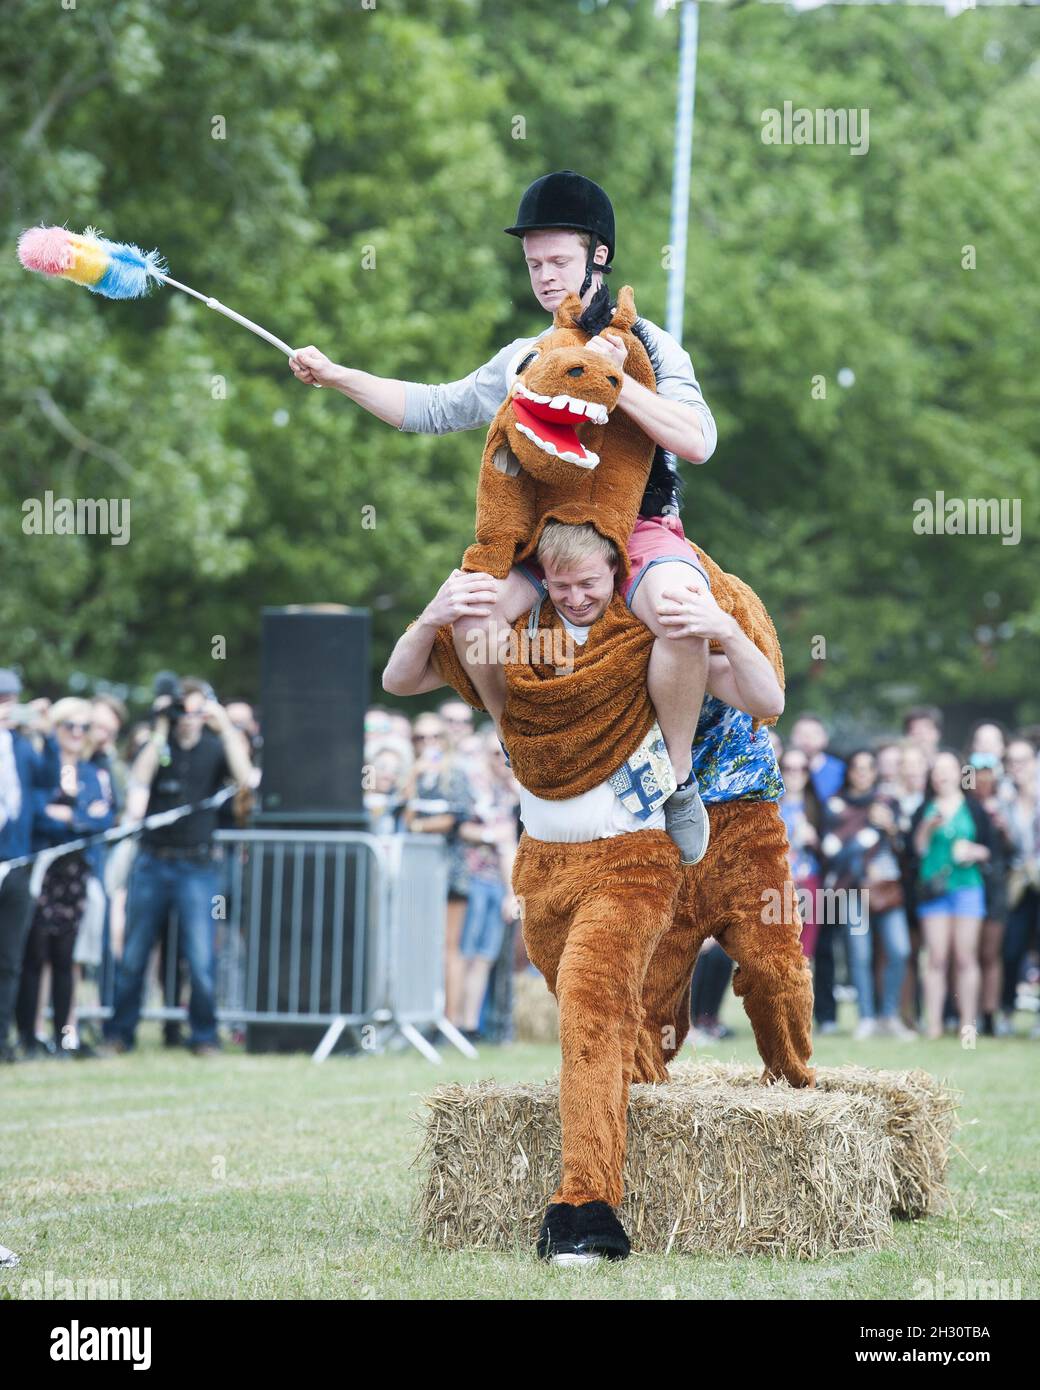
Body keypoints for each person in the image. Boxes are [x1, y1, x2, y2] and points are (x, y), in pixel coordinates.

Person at [293, 170, 719, 864]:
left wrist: (616, 380)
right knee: (471, 615)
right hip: (546, 541)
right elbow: (434, 407)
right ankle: (519, 742)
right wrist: (339, 374)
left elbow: (698, 442)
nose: (545, 277)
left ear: (598, 257)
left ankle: (677, 778)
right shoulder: (524, 356)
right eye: (534, 265)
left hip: (636, 528)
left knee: (681, 611)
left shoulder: (653, 344)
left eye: (557, 262)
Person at [384, 520, 697, 1262]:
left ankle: (585, 1209)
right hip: (542, 862)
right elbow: (398, 680)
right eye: (563, 587)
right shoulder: (516, 637)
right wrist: (434, 611)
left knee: (588, 1016)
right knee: (602, 1018)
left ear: (616, 572)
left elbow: (764, 689)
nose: (579, 598)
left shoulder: (649, 623)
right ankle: (645, 1070)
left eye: (591, 583)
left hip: (630, 856)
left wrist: (716, 625)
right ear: (543, 584)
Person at [102, 682, 252, 1055]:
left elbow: (246, 777)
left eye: (195, 710)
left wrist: (223, 723)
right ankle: (119, 1033)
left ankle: (203, 1035)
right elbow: (138, 783)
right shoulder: (158, 747)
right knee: (135, 955)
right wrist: (161, 729)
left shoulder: (216, 748)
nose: (188, 719)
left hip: (197, 866)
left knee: (201, 957)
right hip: (153, 862)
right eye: (182, 711)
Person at [15, 698, 114, 1058]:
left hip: (75, 874)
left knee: (67, 958)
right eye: (68, 725)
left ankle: (64, 1036)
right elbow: (37, 814)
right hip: (43, 870)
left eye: (83, 727)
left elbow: (101, 820)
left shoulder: (92, 773)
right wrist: (74, 817)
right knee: (35, 954)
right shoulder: (43, 764)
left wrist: (70, 817)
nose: (76, 733)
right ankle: (31, 1034)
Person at [820, 751, 913, 1040]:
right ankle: (867, 1018)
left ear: (875, 772)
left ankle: (889, 1015)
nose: (862, 773)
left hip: (887, 889)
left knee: (900, 950)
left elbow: (906, 849)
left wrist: (889, 826)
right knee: (859, 955)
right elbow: (830, 852)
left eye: (868, 768)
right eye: (856, 768)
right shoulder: (835, 806)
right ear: (849, 772)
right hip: (851, 891)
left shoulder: (887, 803)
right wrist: (860, 864)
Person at [909, 750, 992, 1041]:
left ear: (960, 773)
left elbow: (989, 848)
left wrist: (974, 852)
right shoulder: (925, 808)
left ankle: (967, 1025)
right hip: (934, 890)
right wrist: (927, 828)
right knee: (936, 957)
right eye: (938, 770)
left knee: (965, 957)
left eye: (948, 769)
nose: (942, 775)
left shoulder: (974, 807)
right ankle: (933, 1026)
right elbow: (916, 850)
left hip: (968, 886)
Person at [401, 713, 476, 1028]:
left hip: (449, 868)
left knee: (448, 945)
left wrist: (419, 825)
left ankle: (450, 1021)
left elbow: (455, 818)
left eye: (434, 737)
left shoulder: (455, 775)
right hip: (417, 871)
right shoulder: (413, 776)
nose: (428, 744)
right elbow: (401, 814)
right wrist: (412, 779)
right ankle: (421, 1018)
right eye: (420, 738)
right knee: (418, 942)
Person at [0, 674, 60, 1063]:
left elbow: (49, 780)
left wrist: (49, 735)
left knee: (9, 959)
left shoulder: (21, 746)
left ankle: (2, 1038)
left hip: (16, 864)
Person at [455, 728, 520, 1041]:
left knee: (484, 955)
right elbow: (461, 827)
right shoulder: (473, 785)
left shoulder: (508, 789)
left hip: (496, 881)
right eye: (496, 753)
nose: (502, 760)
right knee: (464, 953)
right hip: (470, 881)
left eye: (504, 753)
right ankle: (455, 1023)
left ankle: (470, 1026)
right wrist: (488, 836)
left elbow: (508, 843)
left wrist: (511, 892)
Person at [968, 754, 1012, 1037]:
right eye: (977, 775)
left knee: (990, 953)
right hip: (969, 882)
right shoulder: (965, 808)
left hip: (996, 883)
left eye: (988, 775)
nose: (982, 781)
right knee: (967, 953)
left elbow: (1012, 848)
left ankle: (990, 1014)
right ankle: (966, 1015)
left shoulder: (1003, 806)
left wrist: (1003, 826)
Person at [998, 739, 1040, 1037]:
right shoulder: (1002, 799)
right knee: (1011, 950)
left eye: (1023, 761)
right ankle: (1007, 1012)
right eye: (1012, 762)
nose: (1018, 768)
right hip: (1017, 884)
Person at [778, 747, 824, 963]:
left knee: (804, 954)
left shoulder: (818, 807)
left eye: (801, 768)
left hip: (809, 883)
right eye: (788, 768)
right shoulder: (769, 806)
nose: (795, 773)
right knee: (778, 950)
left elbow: (830, 853)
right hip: (776, 884)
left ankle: (799, 995)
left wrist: (815, 841)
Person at [789, 715, 845, 802]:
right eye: (801, 734)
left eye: (813, 734)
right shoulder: (780, 769)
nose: (806, 739)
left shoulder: (841, 770)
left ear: (825, 738)